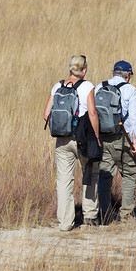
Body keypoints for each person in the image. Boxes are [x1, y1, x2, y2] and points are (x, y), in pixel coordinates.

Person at [43, 55, 101, 231]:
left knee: (63, 180)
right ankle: (90, 216)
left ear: (70, 69)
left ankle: (65, 222)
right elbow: (92, 113)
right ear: (84, 70)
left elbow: (46, 114)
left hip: (62, 140)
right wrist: (97, 137)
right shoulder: (87, 86)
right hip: (83, 138)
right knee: (90, 173)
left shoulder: (57, 86)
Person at [96, 61, 136, 223]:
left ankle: (105, 214)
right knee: (129, 174)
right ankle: (127, 214)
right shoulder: (130, 90)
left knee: (104, 176)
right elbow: (134, 119)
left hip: (103, 138)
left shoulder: (99, 86)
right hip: (123, 138)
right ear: (127, 75)